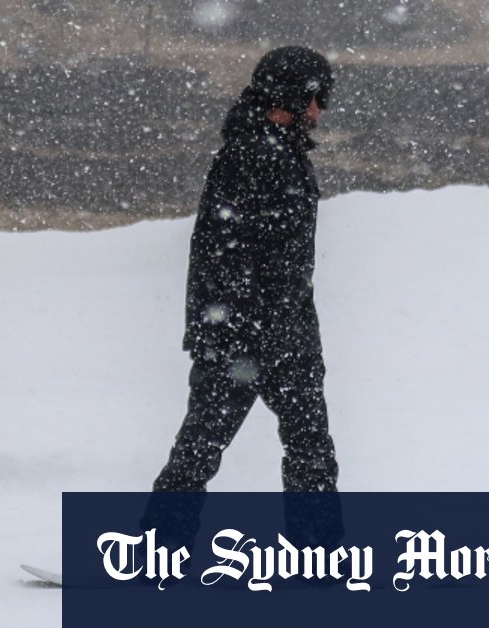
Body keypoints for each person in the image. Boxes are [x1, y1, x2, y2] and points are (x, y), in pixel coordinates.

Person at [149, 46, 341, 498]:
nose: (319, 111)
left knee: (311, 455)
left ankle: (318, 563)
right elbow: (223, 256)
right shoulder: (247, 158)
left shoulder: (284, 155)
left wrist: (291, 328)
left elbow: (283, 261)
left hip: (282, 335)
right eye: (315, 97)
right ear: (289, 94)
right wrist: (247, 329)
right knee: (197, 454)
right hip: (238, 338)